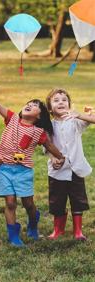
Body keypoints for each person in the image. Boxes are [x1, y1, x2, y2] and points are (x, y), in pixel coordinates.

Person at [0, 79, 64, 247]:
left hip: (23, 171)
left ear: (39, 116)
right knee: (10, 202)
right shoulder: (12, 119)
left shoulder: (38, 132)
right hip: (4, 169)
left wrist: (60, 157)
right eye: (28, 103)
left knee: (28, 203)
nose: (29, 105)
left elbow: (50, 146)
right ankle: (13, 235)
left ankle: (33, 221)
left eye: (34, 105)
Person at [46, 88, 95, 241]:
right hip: (57, 171)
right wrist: (53, 158)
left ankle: (78, 231)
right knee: (57, 200)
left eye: (64, 99)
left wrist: (82, 114)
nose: (61, 102)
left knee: (78, 199)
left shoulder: (75, 121)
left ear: (69, 104)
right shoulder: (49, 126)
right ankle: (58, 230)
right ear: (49, 108)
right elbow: (46, 145)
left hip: (76, 169)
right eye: (56, 100)